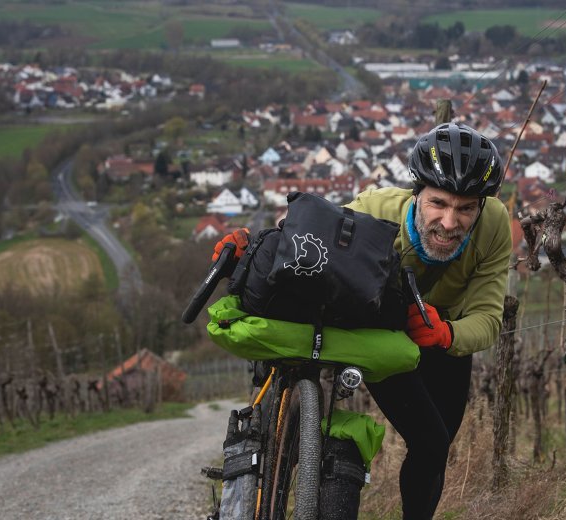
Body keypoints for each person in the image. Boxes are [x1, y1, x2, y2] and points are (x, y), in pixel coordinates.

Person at [212, 122, 512, 519]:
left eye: (466, 208)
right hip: (373, 330)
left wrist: (446, 333)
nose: (451, 222)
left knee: (433, 445)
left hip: (442, 335)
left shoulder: (493, 227)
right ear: (417, 193)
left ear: (481, 207)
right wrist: (251, 253)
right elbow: (305, 243)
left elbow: (489, 317)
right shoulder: (372, 211)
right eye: (438, 203)